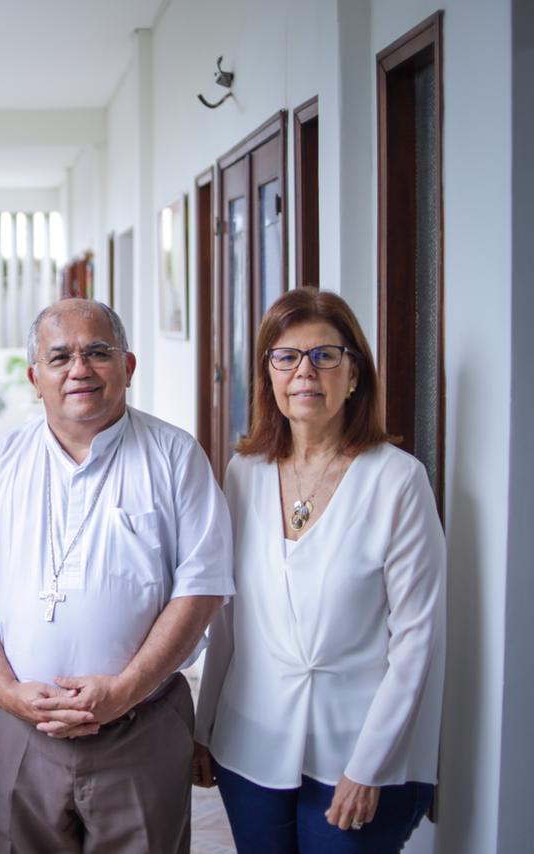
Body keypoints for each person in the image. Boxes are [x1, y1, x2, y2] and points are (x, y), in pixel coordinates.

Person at [0, 298, 233, 853]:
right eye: (60, 357)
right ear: (36, 377)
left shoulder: (175, 456)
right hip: (22, 730)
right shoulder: (2, 462)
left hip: (142, 728)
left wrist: (124, 692)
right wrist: (7, 693)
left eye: (97, 353)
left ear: (127, 367)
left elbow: (200, 590)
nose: (79, 369)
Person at [192, 288, 446, 853]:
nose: (305, 372)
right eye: (286, 357)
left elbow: (416, 640)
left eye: (325, 356)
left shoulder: (397, 481)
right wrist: (204, 730)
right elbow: (226, 620)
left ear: (353, 373)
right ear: (269, 376)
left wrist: (370, 766)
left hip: (357, 752)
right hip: (250, 741)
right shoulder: (244, 472)